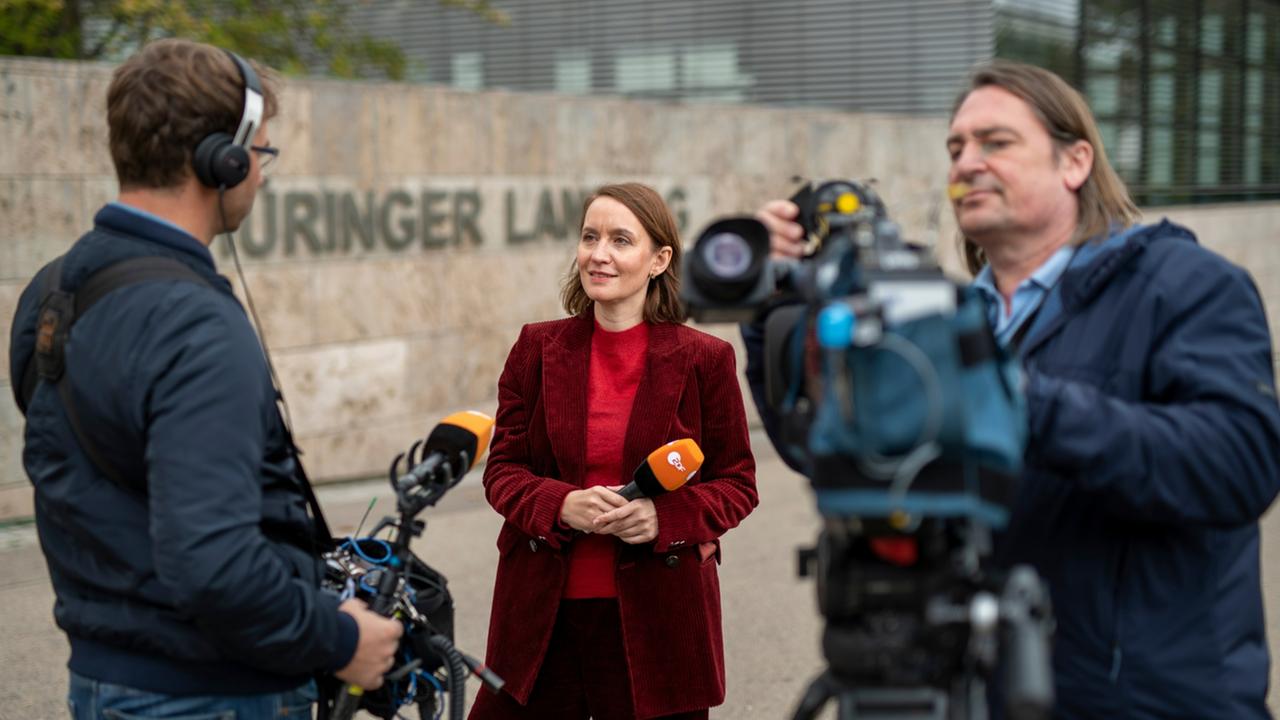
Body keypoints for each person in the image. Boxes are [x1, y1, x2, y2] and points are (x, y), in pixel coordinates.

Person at [748, 60, 1280, 718]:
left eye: (995, 143)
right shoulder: (947, 316)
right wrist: (777, 314)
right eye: (956, 148)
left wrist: (1018, 401)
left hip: (1143, 700)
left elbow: (1239, 464)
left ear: (1074, 162)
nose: (967, 162)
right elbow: (838, 458)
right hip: (978, 689)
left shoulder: (1185, 283)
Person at [7, 38, 402, 719]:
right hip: (209, 694)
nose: (261, 176)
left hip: (103, 678)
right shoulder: (196, 324)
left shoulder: (52, 290)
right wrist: (341, 639)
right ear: (224, 159)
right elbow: (212, 563)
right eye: (261, 153)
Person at [468, 182, 758, 720]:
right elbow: (502, 470)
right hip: (541, 618)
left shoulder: (705, 359)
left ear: (659, 260)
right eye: (590, 237)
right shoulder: (536, 347)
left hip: (658, 618)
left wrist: (663, 517)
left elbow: (737, 483)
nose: (599, 254)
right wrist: (559, 504)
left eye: (620, 240)